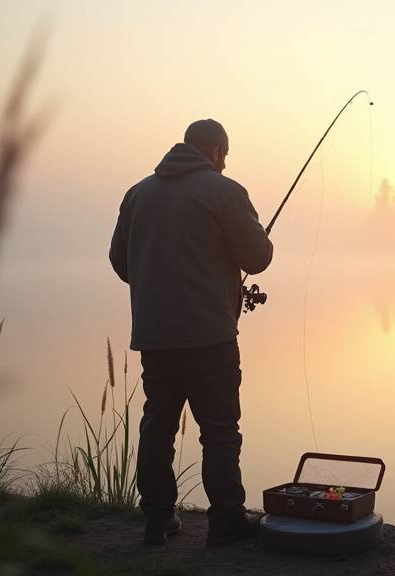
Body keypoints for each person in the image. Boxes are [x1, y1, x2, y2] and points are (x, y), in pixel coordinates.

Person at [109, 119, 274, 546]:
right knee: (219, 430)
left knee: (157, 426)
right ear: (217, 152)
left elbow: (120, 263)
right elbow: (257, 257)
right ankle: (226, 522)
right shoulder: (226, 193)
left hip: (154, 337)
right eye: (225, 156)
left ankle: (156, 519)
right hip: (210, 339)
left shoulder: (137, 194)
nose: (224, 163)